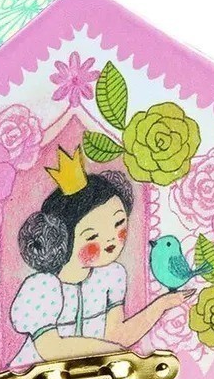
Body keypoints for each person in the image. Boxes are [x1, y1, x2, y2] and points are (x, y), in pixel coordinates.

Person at [10, 147, 189, 364]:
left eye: (119, 224)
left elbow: (116, 335)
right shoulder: (42, 287)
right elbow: (51, 348)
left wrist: (161, 305)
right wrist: (118, 354)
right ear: (60, 239)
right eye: (93, 236)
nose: (112, 240)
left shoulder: (110, 276)